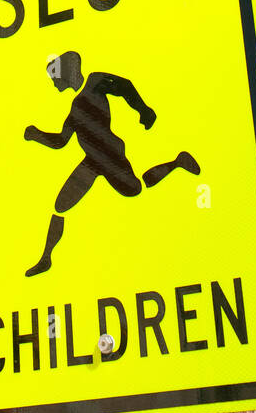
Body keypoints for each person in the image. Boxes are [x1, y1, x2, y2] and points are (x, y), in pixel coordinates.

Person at [23, 50, 200, 276]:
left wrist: (143, 110)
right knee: (60, 206)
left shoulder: (94, 82)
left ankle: (177, 162)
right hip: (91, 161)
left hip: (109, 155)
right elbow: (60, 141)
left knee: (137, 189)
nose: (55, 85)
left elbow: (124, 85)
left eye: (55, 78)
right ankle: (46, 258)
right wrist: (36, 134)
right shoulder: (74, 109)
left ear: (65, 73)